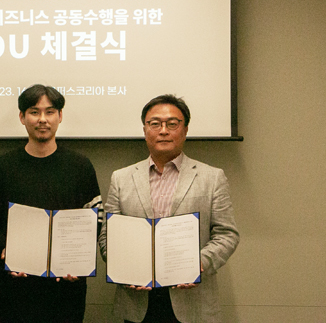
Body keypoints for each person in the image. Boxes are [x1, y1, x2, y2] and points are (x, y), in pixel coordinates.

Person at [99, 94, 239, 323]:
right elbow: (107, 236)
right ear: (145, 130)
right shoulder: (121, 178)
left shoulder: (212, 177)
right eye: (155, 123)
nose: (163, 131)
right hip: (137, 301)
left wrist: (199, 263)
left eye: (172, 124)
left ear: (185, 130)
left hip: (192, 300)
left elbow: (227, 234)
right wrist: (123, 269)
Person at [0, 84, 102, 323]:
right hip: (14, 290)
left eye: (50, 112)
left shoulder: (80, 166)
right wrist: (6, 251)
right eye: (34, 112)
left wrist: (80, 259)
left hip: (66, 291)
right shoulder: (1, 167)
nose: (42, 119)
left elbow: (96, 218)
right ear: (22, 117)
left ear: (60, 116)